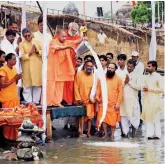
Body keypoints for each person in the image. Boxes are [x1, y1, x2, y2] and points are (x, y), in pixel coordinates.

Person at [47, 29, 84, 107]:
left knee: (60, 86)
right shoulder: (53, 41)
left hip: (62, 70)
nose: (64, 38)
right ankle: (48, 103)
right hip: (53, 69)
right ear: (58, 36)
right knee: (51, 86)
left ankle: (57, 102)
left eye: (65, 36)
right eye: (63, 36)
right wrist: (66, 47)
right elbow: (56, 48)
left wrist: (83, 39)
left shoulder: (66, 42)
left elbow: (75, 42)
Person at [96, 63, 123, 141]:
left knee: (113, 122)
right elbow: (98, 88)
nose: (109, 69)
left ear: (115, 69)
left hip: (113, 104)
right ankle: (105, 133)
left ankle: (112, 135)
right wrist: (97, 97)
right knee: (103, 120)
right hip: (103, 103)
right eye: (108, 68)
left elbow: (120, 92)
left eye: (112, 68)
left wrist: (118, 103)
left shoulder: (118, 79)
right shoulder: (102, 78)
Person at [141, 61, 163, 139]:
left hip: (156, 101)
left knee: (156, 118)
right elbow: (144, 88)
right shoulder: (147, 77)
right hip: (147, 100)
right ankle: (150, 134)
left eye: (149, 66)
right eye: (147, 66)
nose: (147, 68)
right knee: (148, 118)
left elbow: (162, 89)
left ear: (154, 67)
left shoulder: (158, 76)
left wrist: (150, 89)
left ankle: (157, 134)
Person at [19, 28, 42, 104]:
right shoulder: (21, 44)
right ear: (23, 36)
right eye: (25, 36)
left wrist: (37, 51)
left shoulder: (37, 42)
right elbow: (21, 56)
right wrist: (30, 53)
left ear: (31, 34)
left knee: (37, 85)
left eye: (29, 35)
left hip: (37, 67)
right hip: (26, 67)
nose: (28, 37)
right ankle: (28, 103)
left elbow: (44, 52)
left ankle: (36, 102)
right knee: (27, 86)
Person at [74, 60, 95, 137]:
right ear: (85, 66)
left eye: (91, 66)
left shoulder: (94, 76)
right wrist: (78, 98)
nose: (89, 67)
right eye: (88, 66)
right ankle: (80, 131)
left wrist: (93, 99)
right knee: (81, 116)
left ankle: (88, 132)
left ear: (93, 67)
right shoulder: (79, 74)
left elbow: (95, 89)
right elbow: (76, 87)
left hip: (90, 101)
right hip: (80, 100)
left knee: (89, 117)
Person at [120, 59, 141, 138]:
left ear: (134, 67)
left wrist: (129, 82)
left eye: (131, 67)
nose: (129, 68)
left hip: (133, 100)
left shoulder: (138, 75)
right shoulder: (122, 74)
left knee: (134, 118)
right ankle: (125, 134)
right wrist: (124, 82)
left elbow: (139, 87)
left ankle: (133, 135)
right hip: (123, 101)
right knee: (124, 117)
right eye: (128, 66)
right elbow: (119, 86)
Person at [63, 22, 82, 105]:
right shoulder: (63, 34)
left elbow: (80, 48)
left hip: (73, 63)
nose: (74, 32)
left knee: (71, 82)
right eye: (73, 30)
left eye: (75, 31)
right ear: (69, 28)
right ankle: (61, 99)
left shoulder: (77, 37)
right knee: (62, 82)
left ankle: (70, 100)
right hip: (63, 63)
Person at [0, 29, 22, 99]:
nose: (12, 38)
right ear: (6, 36)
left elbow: (18, 55)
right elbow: (5, 57)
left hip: (14, 67)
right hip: (7, 68)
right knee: (8, 83)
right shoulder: (4, 43)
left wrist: (17, 50)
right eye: (11, 36)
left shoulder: (14, 43)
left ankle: (16, 99)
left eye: (13, 36)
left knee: (16, 84)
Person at [131, 51, 144, 126]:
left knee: (138, 101)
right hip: (131, 85)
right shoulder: (130, 63)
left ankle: (140, 118)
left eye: (135, 56)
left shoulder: (140, 65)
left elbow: (139, 75)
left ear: (137, 57)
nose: (133, 58)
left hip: (137, 85)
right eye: (132, 56)